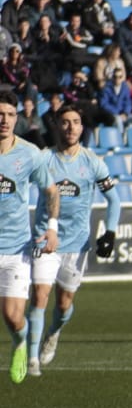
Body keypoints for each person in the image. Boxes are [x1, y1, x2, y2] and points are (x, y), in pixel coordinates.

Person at [27, 105, 122, 376]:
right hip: (45, 239)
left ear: (82, 128)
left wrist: (111, 231)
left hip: (77, 244)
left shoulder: (93, 162)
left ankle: (53, 333)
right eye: (65, 122)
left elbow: (114, 200)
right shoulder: (43, 159)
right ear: (56, 125)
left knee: (63, 303)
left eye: (76, 122)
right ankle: (32, 357)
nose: (70, 127)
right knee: (40, 295)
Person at [0, 91, 57, 383]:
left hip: (15, 248)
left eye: (10, 115)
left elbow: (51, 191)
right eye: (0, 114)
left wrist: (51, 227)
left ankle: (21, 342)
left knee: (12, 317)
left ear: (17, 118)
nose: (4, 120)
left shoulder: (29, 153)